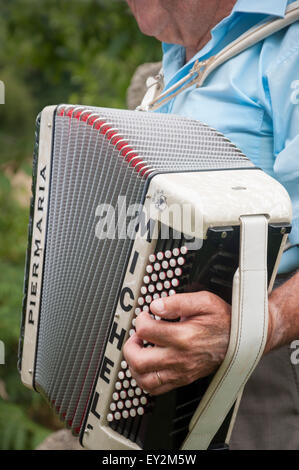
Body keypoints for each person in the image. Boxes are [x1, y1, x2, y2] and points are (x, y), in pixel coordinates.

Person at [123, 0, 299, 450]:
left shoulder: (289, 42)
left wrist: (260, 325)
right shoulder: (179, 57)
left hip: (271, 374)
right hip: (174, 372)